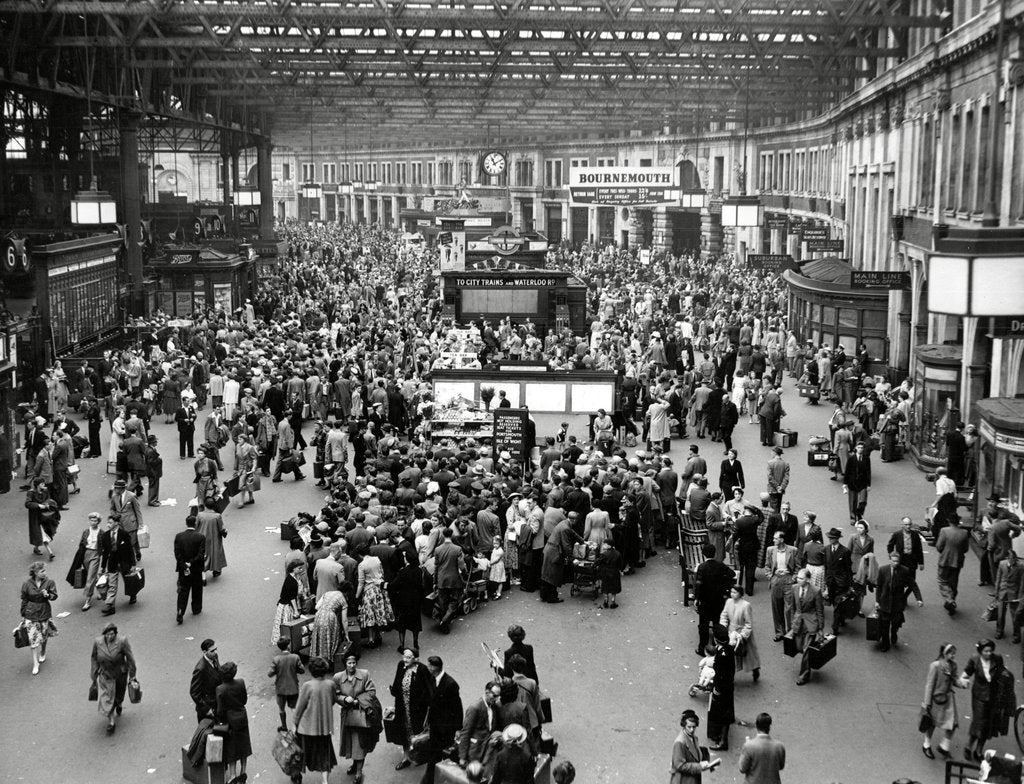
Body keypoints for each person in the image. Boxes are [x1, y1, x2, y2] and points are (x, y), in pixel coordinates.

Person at [959, 639, 1017, 762]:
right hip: (979, 696)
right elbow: (966, 673)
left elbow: (1002, 672)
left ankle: (979, 750)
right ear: (980, 651)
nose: (988, 653)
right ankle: (969, 746)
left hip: (993, 696)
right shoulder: (974, 659)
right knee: (978, 722)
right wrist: (963, 680)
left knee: (988, 724)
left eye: (990, 651)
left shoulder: (997, 658)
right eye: (986, 651)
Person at [293, 656, 340, 784]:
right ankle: (325, 781)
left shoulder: (307, 686)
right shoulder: (330, 684)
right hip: (324, 727)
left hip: (306, 727)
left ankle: (297, 776)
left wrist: (294, 724)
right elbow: (333, 700)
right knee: (325, 755)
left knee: (300, 753)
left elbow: (299, 708)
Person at [334, 652, 377, 784]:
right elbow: (335, 694)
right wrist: (344, 699)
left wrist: (359, 701)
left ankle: (359, 772)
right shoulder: (338, 677)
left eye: (354, 663)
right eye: (349, 663)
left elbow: (371, 691)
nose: (352, 665)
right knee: (350, 743)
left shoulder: (364, 674)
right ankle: (354, 764)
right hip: (347, 715)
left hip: (361, 715)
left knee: (360, 743)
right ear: (345, 664)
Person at [420, 655, 463, 784]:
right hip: (435, 726)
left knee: (441, 755)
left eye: (429, 666)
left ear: (435, 667)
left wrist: (458, 728)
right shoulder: (433, 679)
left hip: (446, 729)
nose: (427, 668)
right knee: (434, 755)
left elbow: (457, 708)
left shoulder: (450, 684)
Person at [90, 621, 137, 734]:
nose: (110, 636)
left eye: (112, 634)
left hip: (119, 673)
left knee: (119, 695)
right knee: (108, 697)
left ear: (115, 634)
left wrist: (132, 675)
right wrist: (94, 674)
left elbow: (130, 658)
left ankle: (119, 704)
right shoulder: (98, 642)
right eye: (107, 634)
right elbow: (94, 658)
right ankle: (111, 721)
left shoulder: (122, 641)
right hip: (105, 674)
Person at [921, 643, 965, 759]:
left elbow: (954, 679)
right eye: (950, 653)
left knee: (953, 723)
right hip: (936, 699)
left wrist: (962, 684)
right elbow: (929, 685)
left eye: (954, 653)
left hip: (949, 698)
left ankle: (944, 745)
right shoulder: (935, 666)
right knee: (932, 723)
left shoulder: (953, 665)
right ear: (944, 653)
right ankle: (926, 744)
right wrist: (927, 703)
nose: (953, 656)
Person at [390, 648, 432, 770]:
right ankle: (406, 757)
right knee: (403, 731)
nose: (405, 659)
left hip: (417, 709)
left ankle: (420, 754)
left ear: (415, 659)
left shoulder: (422, 669)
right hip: (402, 706)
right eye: (404, 656)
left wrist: (427, 705)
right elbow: (397, 682)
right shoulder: (401, 665)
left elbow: (428, 689)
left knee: (419, 732)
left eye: (408, 657)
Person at [693, 543, 736, 655]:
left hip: (705, 602)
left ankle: (702, 648)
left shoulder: (702, 567)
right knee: (717, 624)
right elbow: (732, 574)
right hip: (718, 601)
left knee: (703, 626)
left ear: (704, 554)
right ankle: (717, 647)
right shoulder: (721, 565)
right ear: (715, 553)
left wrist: (697, 599)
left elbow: (698, 584)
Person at [215, 661, 252, 784]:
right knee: (244, 745)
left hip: (229, 721)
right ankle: (243, 771)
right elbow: (244, 700)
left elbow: (220, 711)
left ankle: (232, 775)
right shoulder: (241, 682)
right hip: (242, 718)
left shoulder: (220, 689)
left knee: (232, 748)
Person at [786, 568, 824, 685]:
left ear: (808, 579)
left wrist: (821, 628)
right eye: (797, 577)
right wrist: (792, 623)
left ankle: (804, 675)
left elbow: (819, 610)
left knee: (806, 649)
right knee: (800, 647)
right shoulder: (794, 588)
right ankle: (808, 663)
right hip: (798, 622)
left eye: (801, 578)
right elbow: (792, 607)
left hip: (810, 623)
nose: (798, 580)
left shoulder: (816, 591)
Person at [20, 560, 58, 676]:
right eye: (42, 571)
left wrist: (48, 595)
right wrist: (23, 614)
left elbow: (54, 596)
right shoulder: (27, 584)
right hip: (31, 614)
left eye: (44, 570)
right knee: (33, 639)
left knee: (44, 635)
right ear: (35, 573)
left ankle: (43, 651)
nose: (45, 573)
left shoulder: (49, 582)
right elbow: (24, 599)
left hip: (44, 612)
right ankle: (35, 663)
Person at [720, 585, 761, 682]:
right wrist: (723, 627)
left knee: (748, 654)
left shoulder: (746, 605)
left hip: (742, 632)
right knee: (731, 655)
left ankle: (755, 669)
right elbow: (724, 615)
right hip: (731, 631)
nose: (732, 594)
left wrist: (742, 635)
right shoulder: (729, 602)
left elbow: (748, 623)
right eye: (731, 592)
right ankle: (729, 675)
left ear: (740, 593)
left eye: (735, 592)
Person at [98, 514, 136, 616]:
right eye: (107, 522)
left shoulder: (124, 534)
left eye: (110, 523)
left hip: (124, 562)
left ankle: (132, 594)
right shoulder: (105, 536)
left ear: (116, 523)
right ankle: (110, 605)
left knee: (128, 581)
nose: (108, 525)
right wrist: (102, 566)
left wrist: (133, 564)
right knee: (112, 585)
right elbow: (105, 553)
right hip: (112, 563)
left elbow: (130, 549)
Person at [764, 531, 797, 641]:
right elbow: (767, 566)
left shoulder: (793, 550)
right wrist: (771, 576)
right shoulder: (770, 550)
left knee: (789, 608)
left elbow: (798, 566)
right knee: (777, 608)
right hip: (776, 580)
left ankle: (790, 632)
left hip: (788, 580)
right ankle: (779, 632)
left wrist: (793, 578)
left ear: (782, 540)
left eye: (775, 538)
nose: (773, 540)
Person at [67, 512, 103, 611]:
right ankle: (100, 590)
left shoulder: (101, 533)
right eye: (91, 520)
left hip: (95, 555)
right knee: (91, 575)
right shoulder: (86, 532)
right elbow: (81, 544)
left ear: (98, 522)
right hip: (86, 554)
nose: (93, 522)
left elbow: (103, 546)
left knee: (90, 577)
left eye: (95, 520)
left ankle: (87, 600)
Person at [389, 551, 424, 653]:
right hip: (415, 599)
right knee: (415, 622)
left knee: (402, 624)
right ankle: (415, 642)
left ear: (407, 559)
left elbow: (395, 584)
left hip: (403, 599)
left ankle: (401, 645)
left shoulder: (403, 571)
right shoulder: (419, 571)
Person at [707, 626, 736, 751]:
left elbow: (720, 673)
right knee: (726, 711)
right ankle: (721, 736)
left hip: (722, 687)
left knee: (722, 713)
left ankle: (723, 740)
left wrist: (717, 688)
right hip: (729, 685)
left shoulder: (721, 654)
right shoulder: (728, 649)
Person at [875, 550, 910, 652]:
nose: (896, 563)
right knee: (884, 625)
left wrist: (917, 598)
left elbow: (912, 584)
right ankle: (886, 644)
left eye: (897, 561)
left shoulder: (904, 571)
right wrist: (877, 601)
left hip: (897, 604)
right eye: (893, 561)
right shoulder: (882, 570)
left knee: (895, 623)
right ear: (889, 560)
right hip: (885, 602)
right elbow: (879, 587)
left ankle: (894, 632)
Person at [174, 515, 206, 624]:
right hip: (196, 569)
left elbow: (177, 554)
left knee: (183, 591)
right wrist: (190, 563)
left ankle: (180, 611)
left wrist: (184, 565)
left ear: (186, 523)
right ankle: (196, 608)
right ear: (195, 524)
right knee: (197, 589)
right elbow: (201, 555)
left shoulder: (179, 537)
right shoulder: (200, 537)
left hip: (183, 570)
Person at [737, 712, 785, 784]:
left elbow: (742, 768)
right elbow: (781, 766)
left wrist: (746, 747)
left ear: (756, 726)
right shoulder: (779, 746)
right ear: (769, 727)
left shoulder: (749, 746)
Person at [269, 637, 305, 731]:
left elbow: (270, 673)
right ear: (288, 646)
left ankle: (284, 726)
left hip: (280, 688)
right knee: (294, 709)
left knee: (281, 709)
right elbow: (302, 670)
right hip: (293, 687)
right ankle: (297, 728)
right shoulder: (295, 657)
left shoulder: (276, 659)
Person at [887, 516, 925, 606]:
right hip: (901, 561)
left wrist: (921, 562)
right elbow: (890, 545)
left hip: (912, 561)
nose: (908, 526)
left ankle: (904, 597)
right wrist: (892, 556)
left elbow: (919, 549)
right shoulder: (897, 534)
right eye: (906, 525)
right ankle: (900, 598)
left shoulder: (915, 534)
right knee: (900, 582)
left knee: (912, 582)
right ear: (902, 525)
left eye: (909, 524)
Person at [823, 527, 853, 634]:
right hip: (830, 581)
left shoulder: (845, 551)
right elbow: (826, 567)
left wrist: (850, 584)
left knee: (838, 603)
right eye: (830, 537)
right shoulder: (826, 549)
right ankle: (841, 618)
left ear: (838, 539)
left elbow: (848, 568)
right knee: (833, 602)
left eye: (833, 538)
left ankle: (835, 627)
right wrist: (825, 583)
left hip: (841, 582)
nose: (830, 539)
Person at [272, 561, 309, 646]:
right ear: (293, 569)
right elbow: (292, 597)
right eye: (299, 568)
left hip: (285, 604)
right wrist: (296, 610)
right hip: (287, 606)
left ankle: (286, 644)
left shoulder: (293, 578)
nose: (301, 570)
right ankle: (288, 645)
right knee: (288, 626)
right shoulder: (291, 581)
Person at [670, 709, 713, 784]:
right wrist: (699, 766)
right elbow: (679, 765)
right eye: (689, 727)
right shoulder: (680, 742)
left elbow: (694, 753)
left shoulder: (693, 737)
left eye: (694, 727)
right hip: (684, 780)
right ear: (684, 725)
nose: (692, 730)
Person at [310, 589, 348, 662]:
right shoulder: (343, 599)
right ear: (346, 592)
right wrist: (346, 635)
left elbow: (317, 607)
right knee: (330, 637)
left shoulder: (327, 593)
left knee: (319, 637)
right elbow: (344, 620)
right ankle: (328, 660)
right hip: (330, 617)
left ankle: (318, 660)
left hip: (319, 615)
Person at [994, 550, 1024, 642]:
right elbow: (998, 578)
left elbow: (1022, 583)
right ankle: (999, 631)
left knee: (1015, 616)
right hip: (1003, 592)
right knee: (1000, 614)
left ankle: (1016, 635)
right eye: (1011, 559)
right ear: (1007, 558)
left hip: (1014, 594)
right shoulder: (1002, 564)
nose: (1013, 561)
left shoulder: (1021, 567)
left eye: (1015, 559)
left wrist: (1019, 597)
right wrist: (996, 592)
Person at [25, 477, 58, 559]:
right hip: (35, 517)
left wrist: (46, 504)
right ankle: (50, 552)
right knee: (41, 533)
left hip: (45, 516)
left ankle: (36, 548)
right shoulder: (31, 493)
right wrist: (39, 505)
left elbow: (48, 499)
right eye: (42, 484)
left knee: (42, 533)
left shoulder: (45, 491)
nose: (44, 485)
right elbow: (27, 504)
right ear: (37, 485)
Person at [190, 638, 222, 721]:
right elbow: (194, 692)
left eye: (216, 649)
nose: (215, 652)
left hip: (216, 701)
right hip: (209, 708)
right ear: (204, 652)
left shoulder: (214, 657)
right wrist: (206, 709)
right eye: (212, 651)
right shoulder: (200, 669)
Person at [842, 441, 871, 523]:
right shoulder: (851, 459)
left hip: (863, 483)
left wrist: (869, 484)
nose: (860, 449)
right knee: (853, 501)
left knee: (863, 501)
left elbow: (868, 471)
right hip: (852, 482)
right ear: (856, 448)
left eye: (862, 448)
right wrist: (845, 483)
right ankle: (852, 517)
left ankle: (859, 513)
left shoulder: (866, 459)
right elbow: (847, 471)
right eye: (859, 448)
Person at [597, 540, 623, 608]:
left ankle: (606, 601)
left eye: (605, 544)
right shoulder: (618, 553)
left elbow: (598, 562)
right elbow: (620, 564)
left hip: (606, 572)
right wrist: (620, 570)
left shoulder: (604, 554)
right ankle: (613, 602)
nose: (603, 546)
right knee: (614, 587)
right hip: (615, 572)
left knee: (606, 587)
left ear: (609, 545)